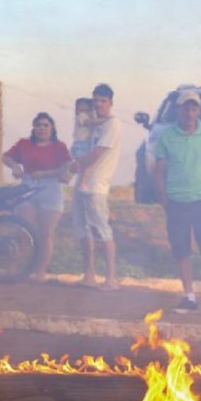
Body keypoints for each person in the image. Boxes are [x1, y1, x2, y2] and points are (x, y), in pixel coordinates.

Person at [153, 90, 201, 313]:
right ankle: (189, 296)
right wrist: (164, 198)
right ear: (179, 109)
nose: (190, 112)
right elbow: (159, 171)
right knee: (182, 249)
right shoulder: (166, 136)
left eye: (194, 108)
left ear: (199, 110)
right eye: (186, 108)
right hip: (176, 201)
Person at [1, 112, 72, 282]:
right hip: (27, 188)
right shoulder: (24, 144)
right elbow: (6, 157)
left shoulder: (59, 146)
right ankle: (18, 268)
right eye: (38, 125)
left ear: (52, 128)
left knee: (46, 233)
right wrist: (15, 166)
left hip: (50, 190)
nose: (42, 128)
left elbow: (66, 168)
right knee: (24, 230)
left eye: (45, 125)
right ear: (34, 128)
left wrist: (46, 173)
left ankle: (40, 271)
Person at [68, 83, 121, 290]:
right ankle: (88, 275)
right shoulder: (95, 124)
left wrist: (76, 166)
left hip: (97, 186)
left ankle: (111, 279)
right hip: (83, 183)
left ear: (110, 103)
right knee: (83, 230)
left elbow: (97, 153)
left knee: (102, 230)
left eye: (103, 100)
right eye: (96, 100)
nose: (99, 104)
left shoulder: (112, 124)